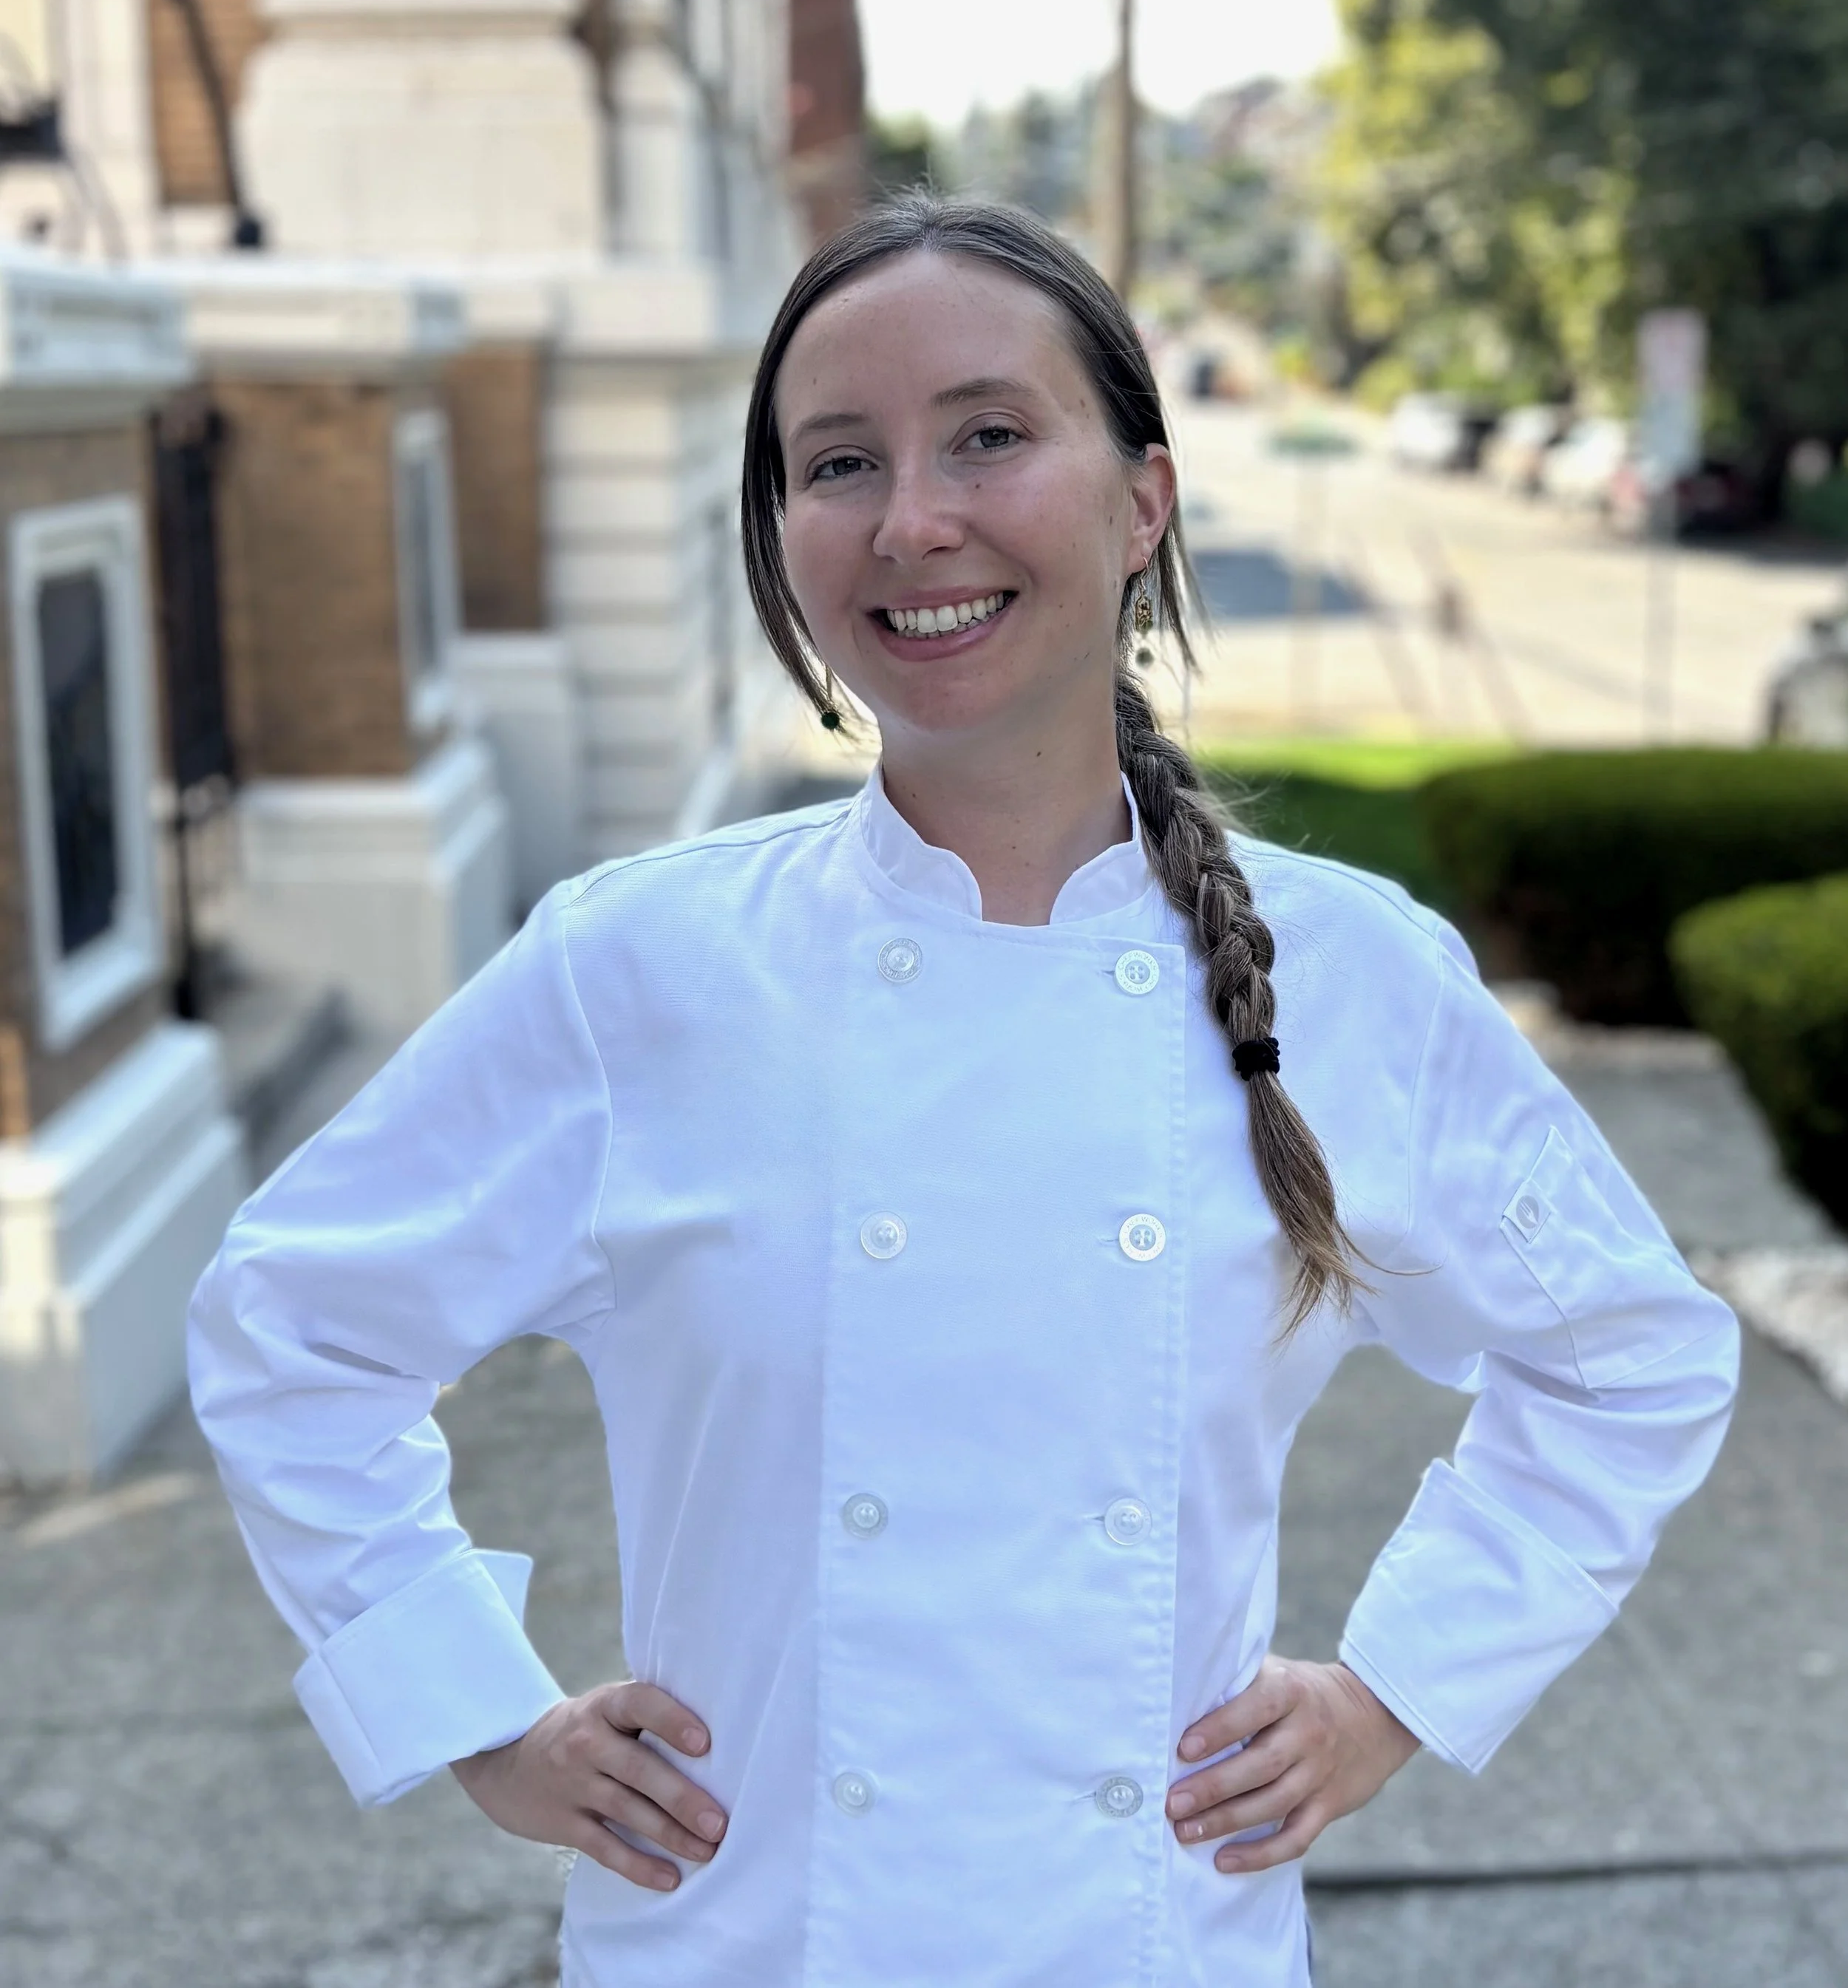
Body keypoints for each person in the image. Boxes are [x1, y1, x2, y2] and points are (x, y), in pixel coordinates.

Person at [189, 195, 1739, 1988]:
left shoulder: (1357, 978)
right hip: (743, 1942)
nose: (912, 520)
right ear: (779, 534)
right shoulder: (642, 972)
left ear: (1141, 495)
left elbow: (1632, 1356)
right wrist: (473, 1712)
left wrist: (1397, 1690)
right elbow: (291, 1327)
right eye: (835, 462)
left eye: (989, 435)